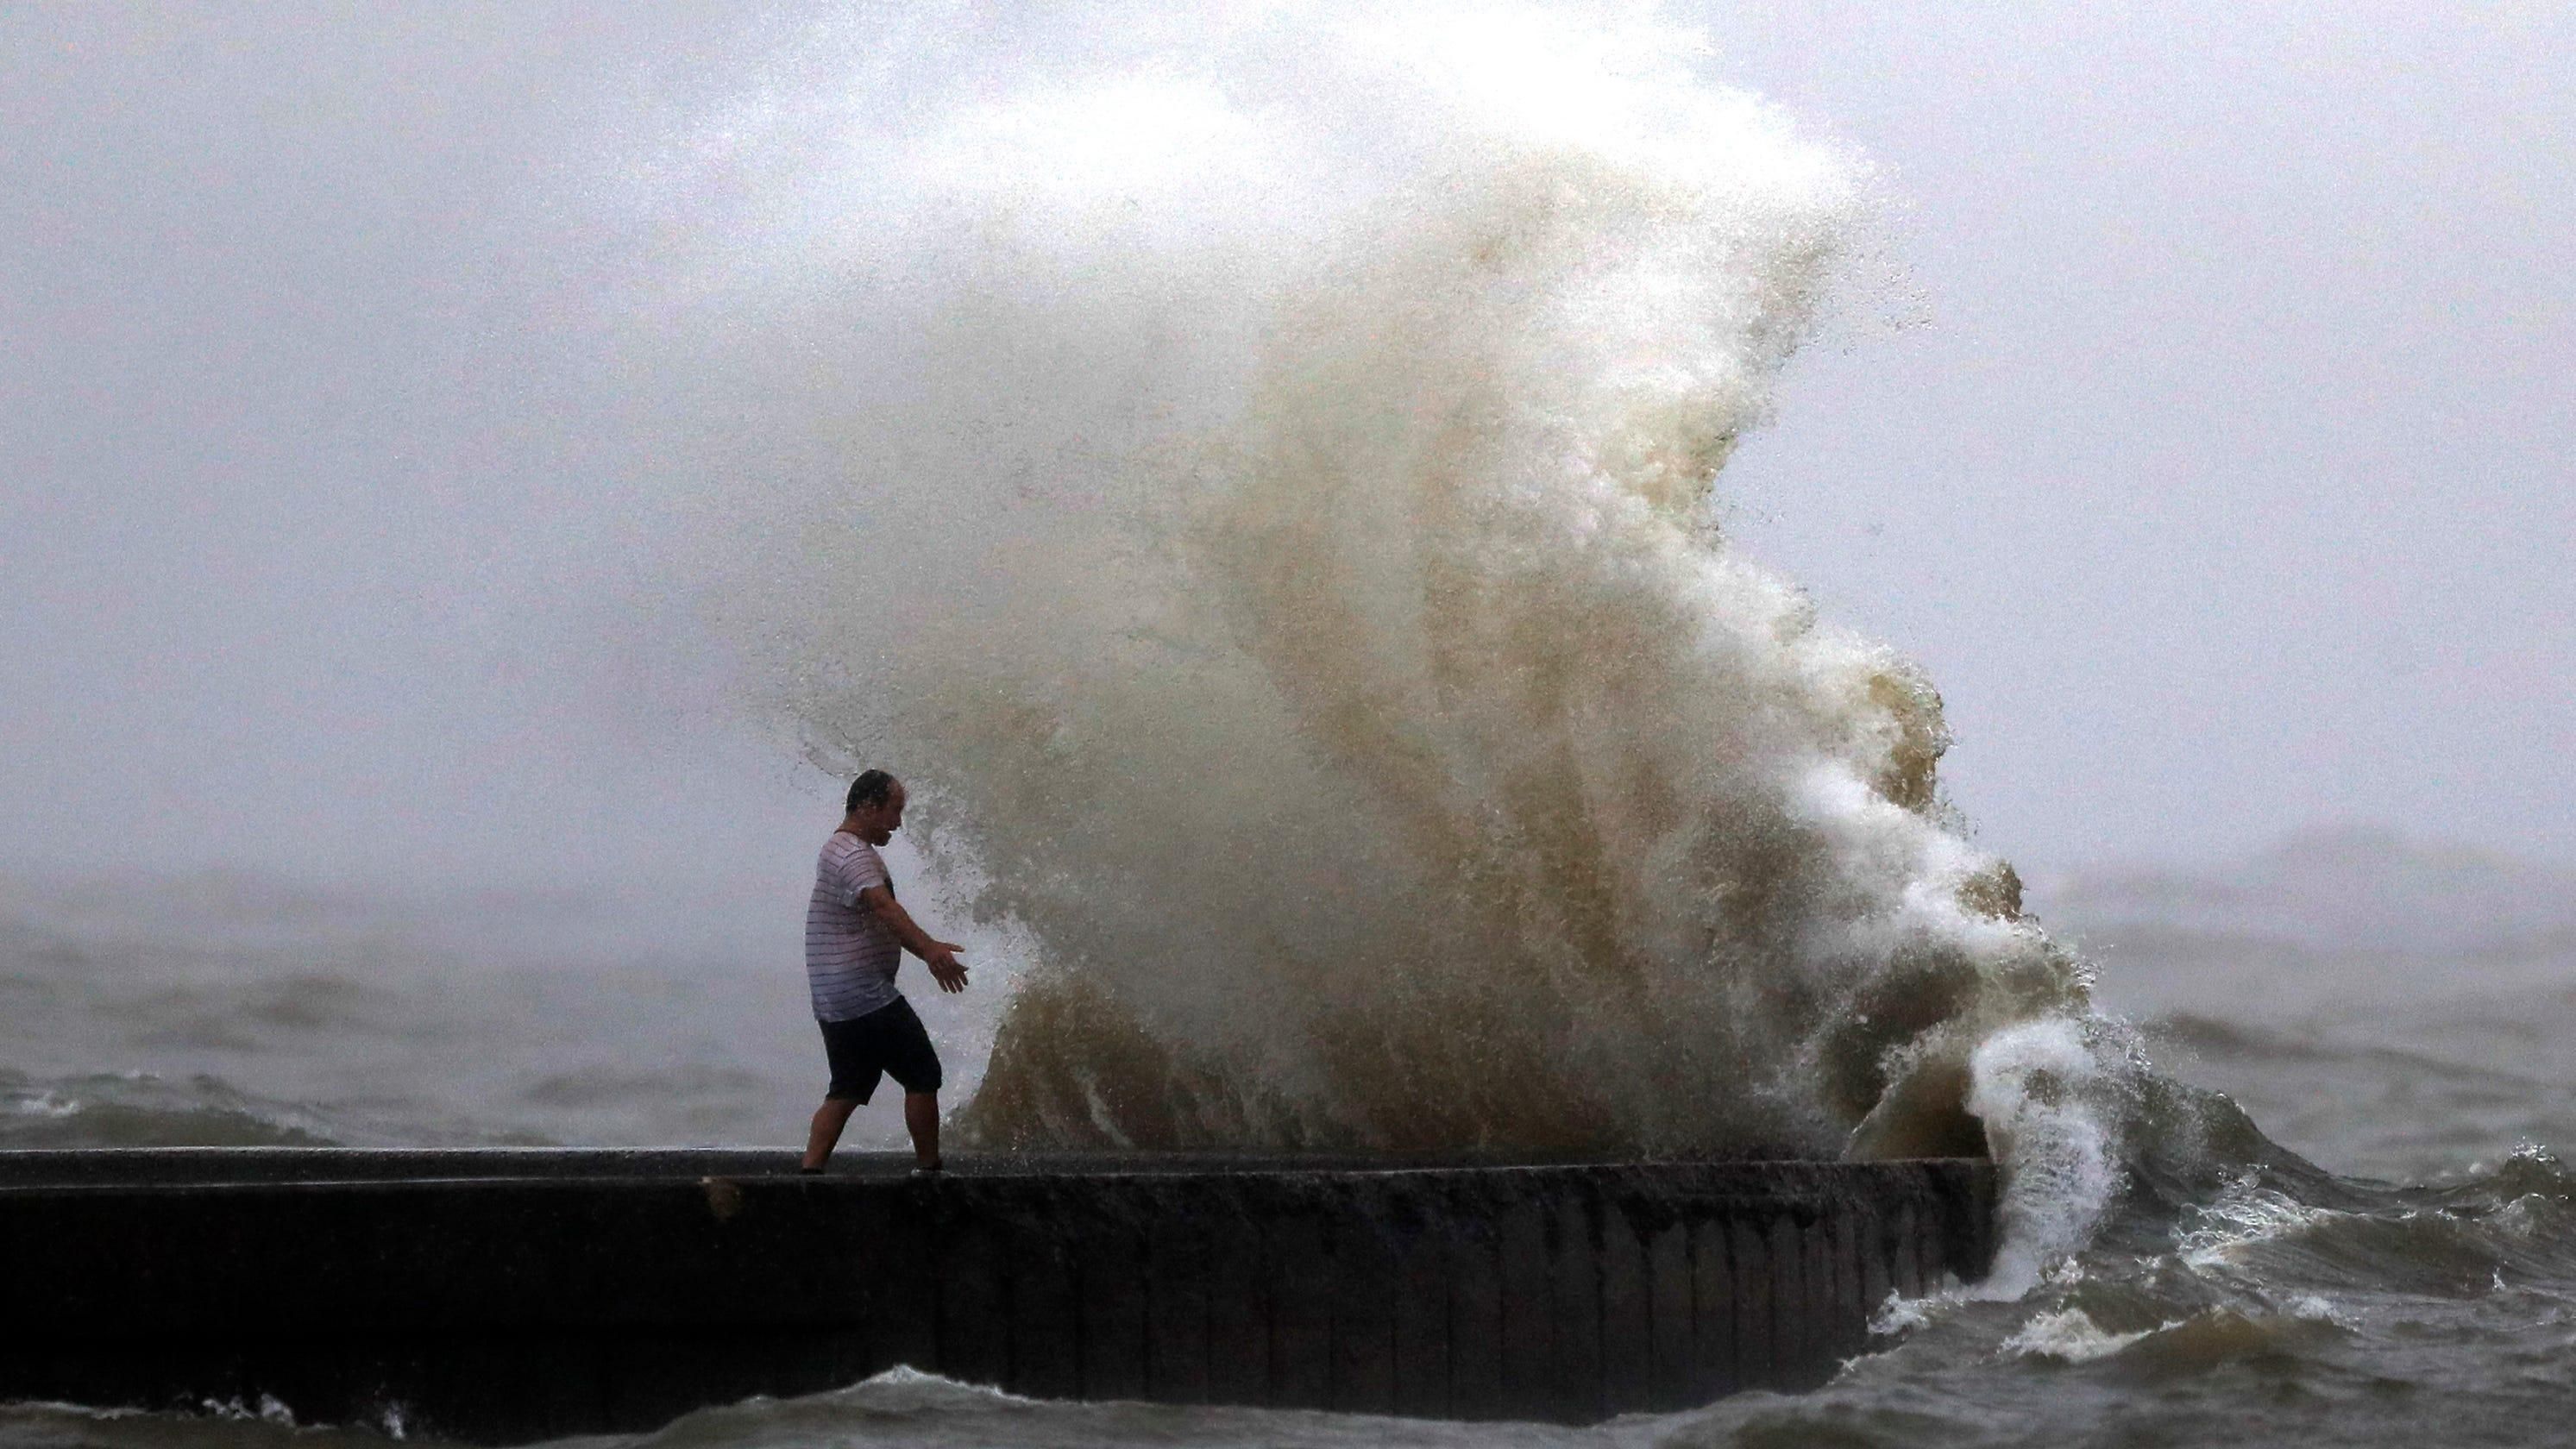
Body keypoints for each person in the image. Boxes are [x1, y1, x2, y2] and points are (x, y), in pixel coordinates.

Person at [799, 769, 967, 1175]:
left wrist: (926, 951)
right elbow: (885, 909)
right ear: (868, 807)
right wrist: (930, 951)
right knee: (923, 1073)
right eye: (894, 811)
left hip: (835, 999)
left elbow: (883, 920)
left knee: (847, 1089)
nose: (898, 822)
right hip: (863, 995)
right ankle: (929, 1172)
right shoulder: (854, 855)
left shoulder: (837, 850)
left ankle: (808, 1174)